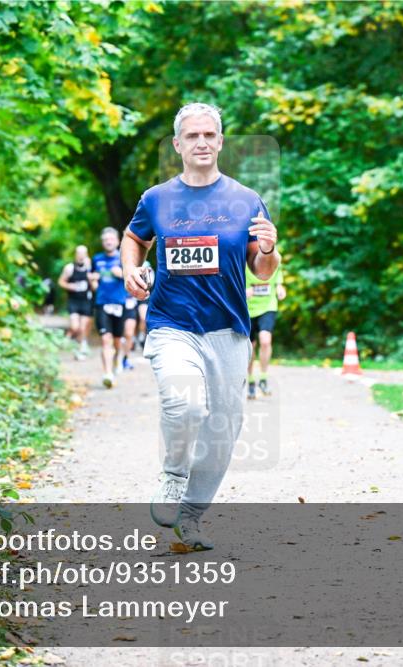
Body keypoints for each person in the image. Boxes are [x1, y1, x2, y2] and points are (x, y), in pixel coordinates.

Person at [121, 102, 280, 550]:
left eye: (209, 135)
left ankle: (190, 517)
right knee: (185, 404)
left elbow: (263, 270)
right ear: (178, 145)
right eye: (192, 136)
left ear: (221, 142)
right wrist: (130, 270)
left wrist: (269, 248)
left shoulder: (246, 200)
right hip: (173, 324)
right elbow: (134, 238)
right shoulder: (157, 198)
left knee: (223, 430)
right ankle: (173, 476)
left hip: (228, 329)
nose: (202, 142)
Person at [90, 227, 127, 388]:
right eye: (105, 240)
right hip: (102, 303)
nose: (108, 242)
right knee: (106, 340)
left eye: (111, 239)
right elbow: (93, 283)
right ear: (102, 242)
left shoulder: (124, 258)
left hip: (120, 303)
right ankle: (107, 374)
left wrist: (123, 273)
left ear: (117, 241)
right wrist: (93, 281)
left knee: (117, 342)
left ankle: (116, 360)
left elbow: (136, 279)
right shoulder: (96, 259)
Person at [246, 261, 285, 398]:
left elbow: (278, 281)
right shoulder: (242, 257)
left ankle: (263, 378)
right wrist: (242, 292)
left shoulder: (272, 257)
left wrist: (280, 289)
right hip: (247, 309)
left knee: (265, 340)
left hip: (268, 306)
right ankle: (250, 381)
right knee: (249, 347)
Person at [58, 245, 93, 359]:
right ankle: (67, 338)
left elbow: (95, 286)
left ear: (87, 254)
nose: (81, 256)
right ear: (76, 254)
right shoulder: (69, 268)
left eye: (84, 253)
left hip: (86, 300)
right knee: (75, 326)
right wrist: (70, 286)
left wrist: (91, 278)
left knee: (83, 328)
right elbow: (61, 282)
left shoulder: (91, 267)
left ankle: (81, 347)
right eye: (79, 253)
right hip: (74, 300)